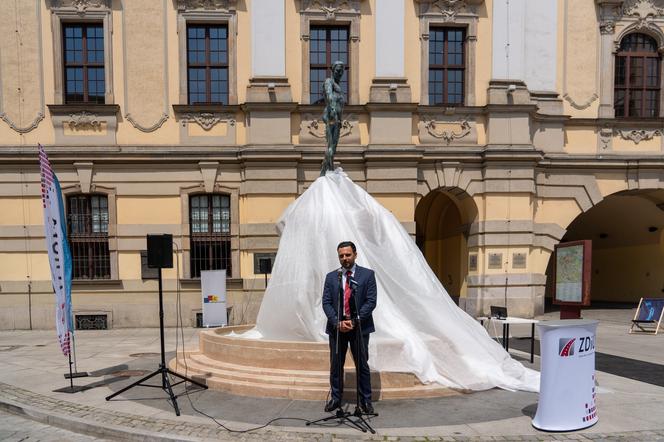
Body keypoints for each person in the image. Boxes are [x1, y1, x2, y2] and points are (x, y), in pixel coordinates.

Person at [321, 241, 377, 414]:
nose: (344, 258)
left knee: (362, 365)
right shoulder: (332, 277)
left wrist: (354, 321)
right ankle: (336, 399)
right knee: (336, 365)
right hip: (337, 328)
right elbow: (326, 302)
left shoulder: (367, 275)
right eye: (341, 255)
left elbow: (371, 301)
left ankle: (365, 401)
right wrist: (337, 321)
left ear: (355, 254)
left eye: (348, 254)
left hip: (359, 327)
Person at [320, 61, 345, 176]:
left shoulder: (338, 86)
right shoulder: (328, 81)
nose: (339, 73)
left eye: (341, 71)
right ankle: (325, 171)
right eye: (337, 70)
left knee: (333, 148)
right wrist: (334, 109)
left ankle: (327, 169)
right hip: (331, 116)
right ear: (333, 70)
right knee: (330, 147)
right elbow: (329, 95)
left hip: (337, 119)